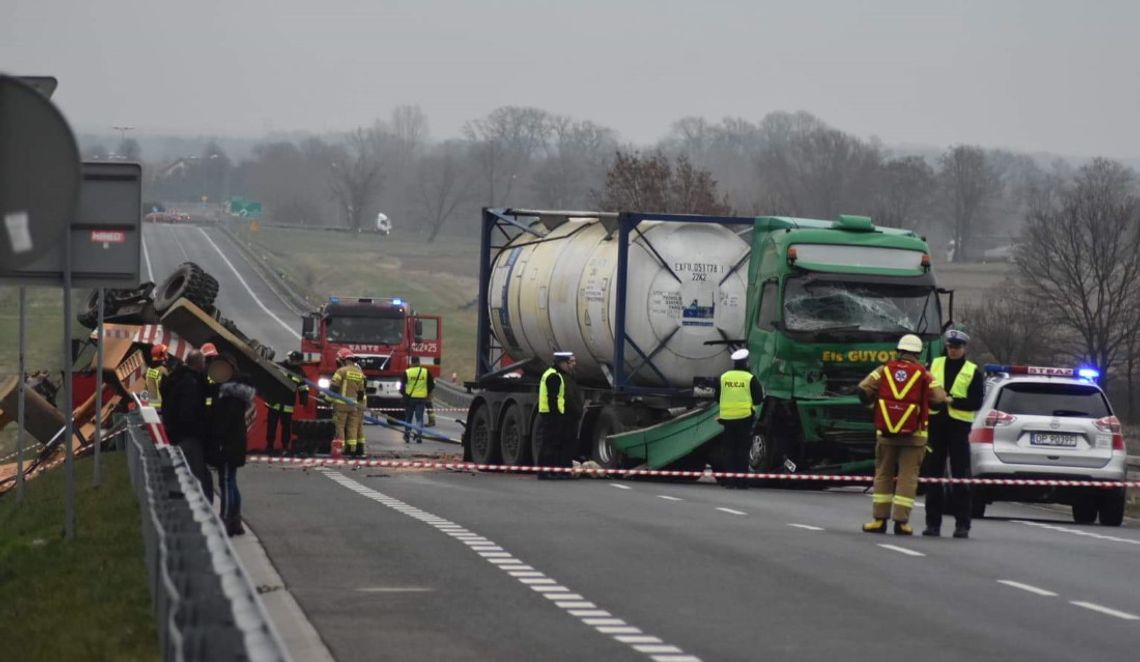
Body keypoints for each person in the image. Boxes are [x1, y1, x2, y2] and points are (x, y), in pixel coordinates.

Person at [859, 334, 947, 535]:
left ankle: (879, 521)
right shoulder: (925, 374)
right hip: (915, 436)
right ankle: (901, 523)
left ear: (899, 351)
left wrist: (875, 409)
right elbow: (939, 399)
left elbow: (862, 390)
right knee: (908, 477)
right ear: (918, 353)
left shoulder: (884, 370)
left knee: (883, 475)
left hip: (886, 434)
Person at [923, 329, 983, 539]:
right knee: (933, 476)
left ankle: (962, 525)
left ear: (964, 349)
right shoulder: (934, 365)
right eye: (950, 347)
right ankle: (932, 524)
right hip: (937, 425)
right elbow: (924, 392)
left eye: (957, 348)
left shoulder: (972, 371)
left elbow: (976, 402)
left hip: (958, 428)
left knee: (960, 477)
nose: (953, 351)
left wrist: (951, 400)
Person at [160, 349, 214, 503]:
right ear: (198, 364)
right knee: (197, 476)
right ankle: (199, 508)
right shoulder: (191, 383)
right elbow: (189, 413)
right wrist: (201, 429)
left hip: (175, 432)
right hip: (189, 436)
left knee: (191, 473)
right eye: (203, 362)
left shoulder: (176, 377)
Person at [211, 363, 256, 537]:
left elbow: (221, 426)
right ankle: (235, 519)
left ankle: (226, 518)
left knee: (227, 482)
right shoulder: (241, 402)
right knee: (232, 482)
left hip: (228, 447)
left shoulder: (228, 402)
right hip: (236, 446)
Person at [716, 348, 765, 489]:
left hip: (727, 419)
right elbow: (758, 400)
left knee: (729, 451)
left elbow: (717, 397)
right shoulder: (750, 378)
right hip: (744, 419)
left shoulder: (724, 377)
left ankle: (731, 482)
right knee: (743, 451)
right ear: (746, 363)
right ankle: (742, 482)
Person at [536, 351, 584, 480]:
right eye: (570, 362)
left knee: (553, 444)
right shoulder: (554, 376)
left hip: (552, 415)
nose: (573, 365)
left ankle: (551, 471)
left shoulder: (555, 374)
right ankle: (545, 472)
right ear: (562, 363)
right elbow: (553, 399)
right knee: (550, 444)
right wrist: (557, 416)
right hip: (552, 416)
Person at [266, 350, 309, 455]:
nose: (292, 362)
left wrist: (304, 399)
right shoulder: (278, 366)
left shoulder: (299, 372)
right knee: (271, 425)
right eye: (292, 359)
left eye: (295, 360)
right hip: (274, 402)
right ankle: (269, 446)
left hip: (288, 403)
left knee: (286, 427)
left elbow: (303, 387)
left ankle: (285, 447)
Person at [330, 348, 366, 457]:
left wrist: (327, 399)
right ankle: (352, 449)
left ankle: (341, 448)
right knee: (353, 427)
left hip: (341, 405)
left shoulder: (341, 371)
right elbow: (361, 392)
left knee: (340, 426)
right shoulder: (359, 372)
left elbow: (333, 388)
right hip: (354, 405)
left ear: (342, 359)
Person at [402, 356, 435, 444]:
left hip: (410, 398)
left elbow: (402, 387)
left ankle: (407, 436)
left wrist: (404, 394)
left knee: (408, 418)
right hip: (421, 398)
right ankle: (419, 436)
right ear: (419, 362)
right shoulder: (425, 372)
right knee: (419, 418)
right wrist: (426, 392)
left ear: (412, 363)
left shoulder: (407, 372)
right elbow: (431, 385)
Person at [145, 343, 171, 411]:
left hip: (152, 404)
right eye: (166, 353)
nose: (167, 354)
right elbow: (167, 389)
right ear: (162, 355)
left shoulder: (149, 370)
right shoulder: (162, 370)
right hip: (161, 406)